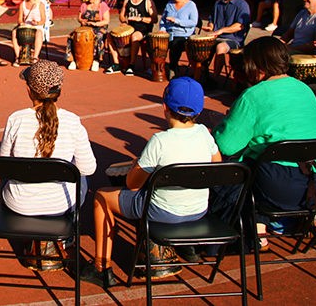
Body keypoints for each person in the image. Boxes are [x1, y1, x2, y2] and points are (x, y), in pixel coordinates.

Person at [79, 77, 220, 288]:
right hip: (198, 209)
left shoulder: (160, 141)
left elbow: (133, 184)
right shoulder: (204, 133)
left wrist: (138, 163)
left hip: (162, 210)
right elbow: (214, 166)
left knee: (101, 196)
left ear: (164, 106)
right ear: (199, 111)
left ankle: (101, 266)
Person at [210, 37, 316, 250]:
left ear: (256, 66)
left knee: (232, 174)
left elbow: (227, 146)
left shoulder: (252, 96)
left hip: (278, 186)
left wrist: (220, 127)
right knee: (264, 158)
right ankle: (271, 223)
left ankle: (255, 231)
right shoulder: (305, 89)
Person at [0, 60, 96, 269]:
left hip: (19, 204)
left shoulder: (16, 119)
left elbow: (4, 164)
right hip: (60, 204)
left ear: (29, 89)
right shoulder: (72, 121)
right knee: (81, 177)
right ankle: (62, 236)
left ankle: (34, 240)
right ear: (59, 90)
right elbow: (88, 168)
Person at [201, 0, 250, 83]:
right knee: (199, 45)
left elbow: (239, 26)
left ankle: (215, 79)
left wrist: (222, 30)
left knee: (221, 47)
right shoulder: (218, 4)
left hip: (233, 39)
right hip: (216, 37)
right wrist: (210, 27)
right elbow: (212, 20)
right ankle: (201, 75)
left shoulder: (242, 5)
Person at [106, 0, 155, 76]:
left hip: (143, 30)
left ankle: (131, 65)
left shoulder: (147, 0)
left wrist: (140, 19)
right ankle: (116, 64)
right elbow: (121, 15)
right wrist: (123, 21)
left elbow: (154, 19)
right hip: (130, 28)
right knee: (110, 35)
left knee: (135, 37)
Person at [160, 0, 199, 80]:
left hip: (184, 35)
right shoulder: (169, 4)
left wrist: (177, 21)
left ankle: (172, 69)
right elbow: (163, 20)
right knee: (155, 44)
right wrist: (162, 29)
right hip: (169, 34)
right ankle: (157, 69)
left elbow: (193, 22)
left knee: (176, 44)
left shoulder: (191, 5)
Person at [65, 0, 110, 72]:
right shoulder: (84, 5)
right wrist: (82, 21)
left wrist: (95, 24)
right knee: (72, 36)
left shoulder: (103, 5)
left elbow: (106, 21)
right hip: (86, 27)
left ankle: (96, 60)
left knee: (98, 37)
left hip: (99, 27)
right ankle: (72, 59)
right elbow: (79, 17)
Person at [12, 0, 46, 67]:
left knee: (39, 33)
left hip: (37, 26)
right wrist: (22, 23)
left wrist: (37, 22)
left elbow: (43, 20)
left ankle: (35, 57)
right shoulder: (22, 5)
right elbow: (19, 19)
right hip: (26, 26)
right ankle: (17, 57)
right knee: (14, 32)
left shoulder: (40, 5)